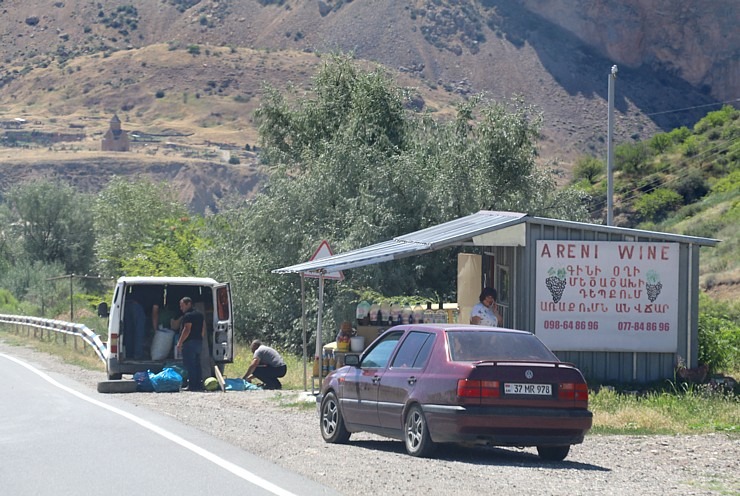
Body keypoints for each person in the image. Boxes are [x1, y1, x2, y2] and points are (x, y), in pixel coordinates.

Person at [175, 297, 206, 391]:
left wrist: (180, 342)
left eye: (182, 305)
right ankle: (198, 384)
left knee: (190, 364)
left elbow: (187, 329)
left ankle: (192, 385)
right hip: (198, 342)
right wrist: (201, 337)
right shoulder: (200, 315)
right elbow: (203, 328)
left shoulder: (188, 316)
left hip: (189, 343)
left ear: (188, 304)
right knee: (197, 364)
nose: (181, 308)